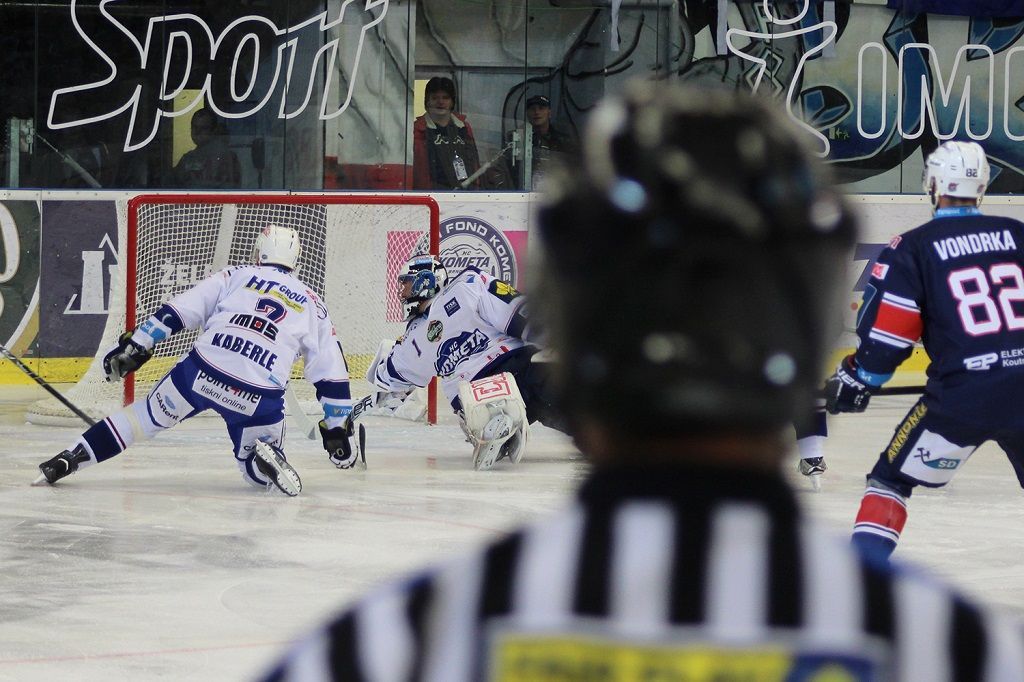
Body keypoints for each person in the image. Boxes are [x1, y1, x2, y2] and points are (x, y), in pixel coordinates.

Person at [259, 86, 1024, 680]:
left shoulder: (390, 647)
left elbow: (397, 373)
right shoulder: (957, 652)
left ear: (579, 320)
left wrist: (344, 411)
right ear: (803, 331)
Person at [34, 225, 357, 497]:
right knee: (256, 478)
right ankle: (262, 455)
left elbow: (180, 310)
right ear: (296, 260)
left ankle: (68, 459)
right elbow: (331, 373)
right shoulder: (315, 305)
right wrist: (337, 428)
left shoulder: (237, 274)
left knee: (141, 419)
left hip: (204, 369)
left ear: (258, 253)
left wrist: (138, 345)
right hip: (259, 389)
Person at [825, 140, 1024, 560]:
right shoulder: (1017, 235)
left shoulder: (913, 247)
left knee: (889, 482)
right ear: (983, 185)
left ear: (932, 183)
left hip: (962, 398)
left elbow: (888, 338)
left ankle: (864, 585)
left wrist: (860, 376)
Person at [364, 255, 561, 470]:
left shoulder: (465, 287)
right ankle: (497, 425)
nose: (402, 292)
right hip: (505, 375)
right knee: (549, 390)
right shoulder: (416, 333)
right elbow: (516, 312)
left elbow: (391, 377)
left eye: (407, 284)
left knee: (561, 401)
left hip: (500, 379)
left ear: (425, 281)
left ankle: (498, 428)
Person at [411, 77, 482, 190]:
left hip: (465, 195)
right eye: (435, 98)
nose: (440, 102)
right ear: (427, 101)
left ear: (452, 101)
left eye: (445, 98)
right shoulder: (416, 130)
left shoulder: (464, 127)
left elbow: (474, 163)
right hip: (430, 196)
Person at [519, 94, 579, 189]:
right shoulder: (518, 138)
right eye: (532, 109)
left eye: (541, 108)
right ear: (527, 113)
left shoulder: (563, 141)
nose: (537, 112)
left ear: (549, 113)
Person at [172, 108, 241, 188]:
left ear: (213, 131)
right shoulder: (188, 158)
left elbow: (228, 190)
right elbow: (173, 183)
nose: (197, 132)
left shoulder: (226, 157)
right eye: (194, 127)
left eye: (203, 128)